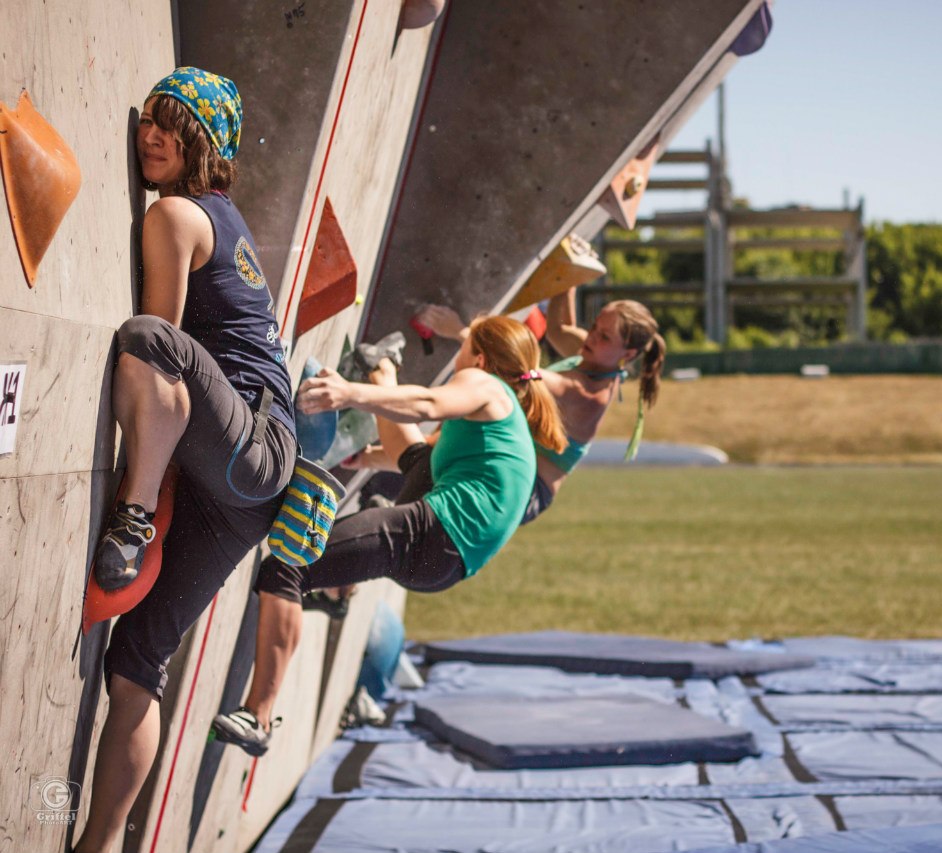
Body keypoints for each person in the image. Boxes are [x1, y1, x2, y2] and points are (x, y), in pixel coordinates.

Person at [76, 69, 296, 853]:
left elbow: (162, 343)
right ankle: (99, 843)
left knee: (148, 340)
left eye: (173, 125)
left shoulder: (175, 214)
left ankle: (131, 515)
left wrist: (143, 496)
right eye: (149, 121)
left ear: (205, 143)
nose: (151, 135)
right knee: (137, 663)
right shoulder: (224, 218)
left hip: (249, 453)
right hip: (246, 482)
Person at [212, 316, 564, 756]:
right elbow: (419, 455)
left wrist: (348, 393)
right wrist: (366, 457)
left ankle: (258, 717)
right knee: (419, 459)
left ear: (480, 357)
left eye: (464, 346)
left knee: (286, 567)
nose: (459, 357)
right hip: (445, 559)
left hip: (434, 532)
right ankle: (383, 367)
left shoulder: (486, 385)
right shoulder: (505, 419)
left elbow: (426, 403)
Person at [362, 287, 665, 523]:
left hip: (523, 490)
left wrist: (459, 330)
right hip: (509, 459)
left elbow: (512, 370)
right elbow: (560, 328)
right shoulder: (594, 354)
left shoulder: (587, 393)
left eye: (604, 336)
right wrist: (568, 274)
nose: (592, 336)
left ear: (628, 354)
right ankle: (366, 461)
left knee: (394, 483)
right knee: (389, 479)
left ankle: (340, 591)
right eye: (596, 324)